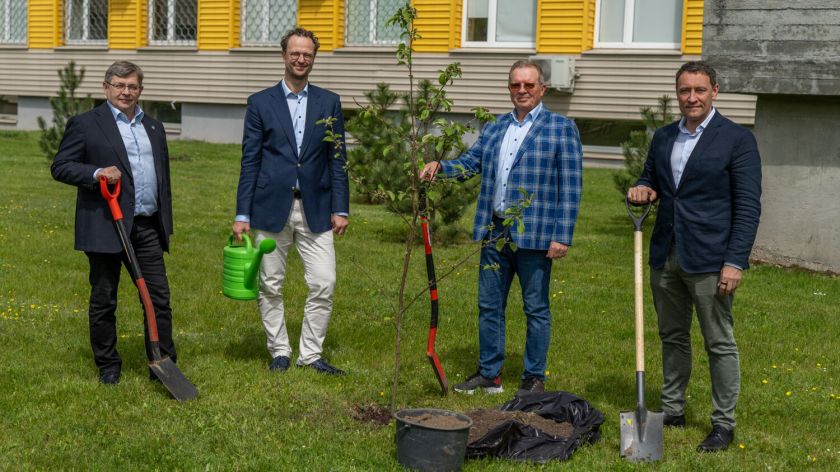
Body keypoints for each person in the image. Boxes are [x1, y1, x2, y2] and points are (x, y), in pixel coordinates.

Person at [420, 60, 582, 396]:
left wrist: (561, 235)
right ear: (509, 88)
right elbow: (470, 164)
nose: (522, 91)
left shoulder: (560, 128)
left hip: (535, 234)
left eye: (529, 85)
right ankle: (489, 373)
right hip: (495, 232)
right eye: (515, 85)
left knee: (535, 307)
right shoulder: (495, 128)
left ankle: (534, 377)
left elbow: (571, 185)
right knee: (489, 304)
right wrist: (440, 166)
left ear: (542, 89)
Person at [627, 61, 762, 452]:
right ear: (677, 93)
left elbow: (748, 206)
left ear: (714, 91)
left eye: (700, 90)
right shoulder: (665, 136)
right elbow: (650, 177)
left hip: (710, 258)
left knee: (718, 341)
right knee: (672, 336)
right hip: (665, 252)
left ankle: (723, 424)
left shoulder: (736, 139)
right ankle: (673, 409)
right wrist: (641, 188)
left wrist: (735, 261)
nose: (692, 98)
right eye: (685, 91)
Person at [51, 61, 177, 385]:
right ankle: (108, 364)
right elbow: (61, 166)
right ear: (106, 87)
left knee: (157, 296)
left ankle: (162, 361)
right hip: (107, 224)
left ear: (140, 90)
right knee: (104, 298)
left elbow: (163, 180)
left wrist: (166, 223)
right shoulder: (86, 124)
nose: (126, 92)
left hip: (146, 226)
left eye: (132, 86)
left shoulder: (154, 128)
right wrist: (96, 173)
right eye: (119, 85)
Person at [233, 27, 350, 376]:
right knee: (270, 283)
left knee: (324, 282)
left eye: (307, 54)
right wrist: (242, 213)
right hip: (270, 207)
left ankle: (311, 354)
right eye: (295, 53)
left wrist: (340, 208)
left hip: (316, 206)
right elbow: (250, 160)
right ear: (284, 55)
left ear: (314, 58)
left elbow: (338, 160)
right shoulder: (260, 103)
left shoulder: (329, 102)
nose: (301, 59)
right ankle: (280, 350)